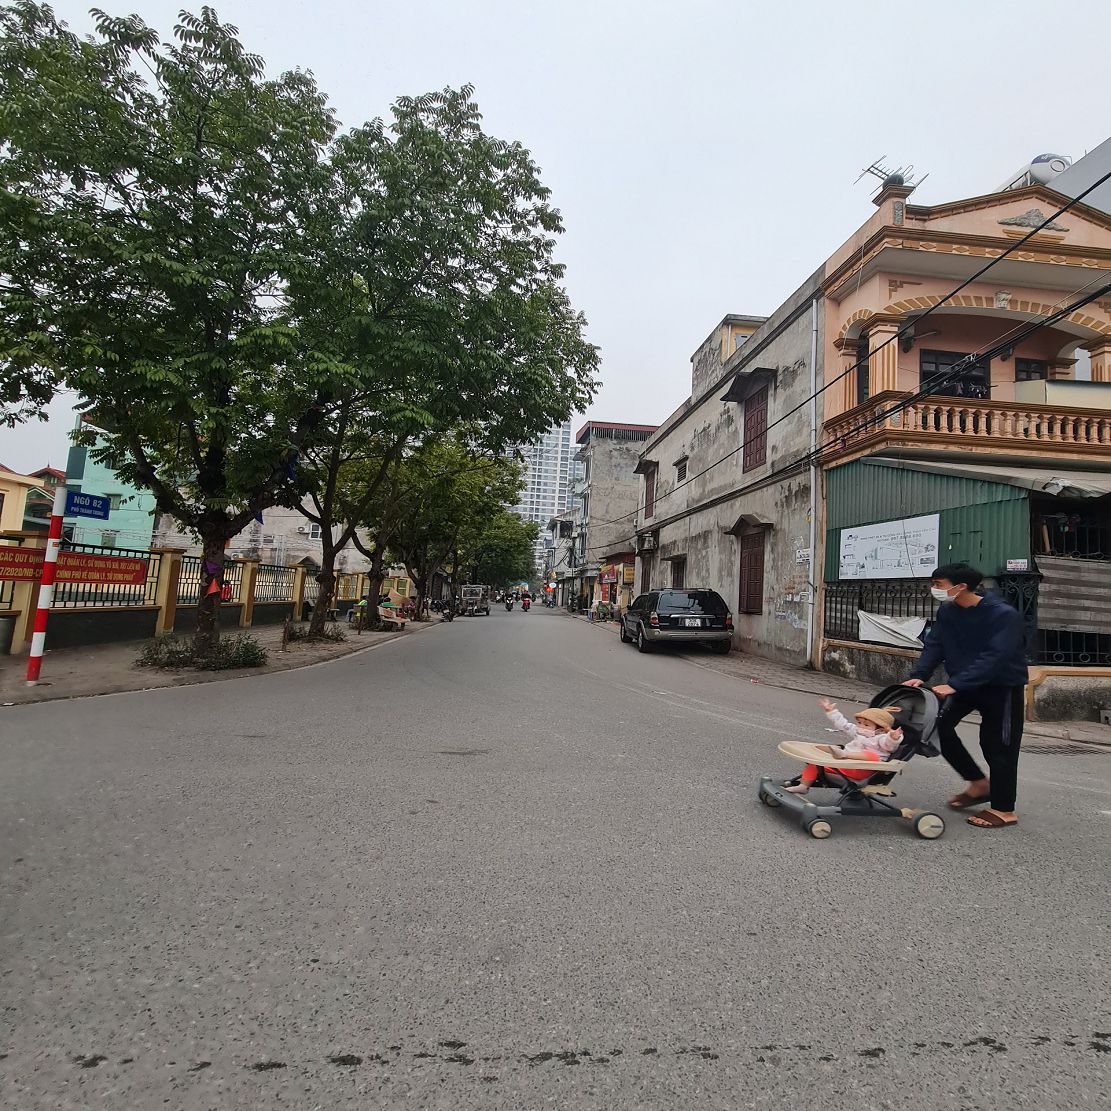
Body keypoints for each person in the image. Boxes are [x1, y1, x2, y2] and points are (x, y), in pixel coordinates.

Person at [904, 563, 1028, 830]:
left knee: (998, 745)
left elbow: (996, 656)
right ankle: (980, 784)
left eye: (938, 584)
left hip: (1001, 686)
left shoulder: (1003, 615)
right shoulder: (948, 610)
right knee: (937, 727)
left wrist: (956, 684)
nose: (934, 589)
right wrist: (920, 674)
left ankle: (1004, 809)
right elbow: (935, 644)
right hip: (964, 685)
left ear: (960, 587)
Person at [785, 699, 903, 794]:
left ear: (881, 729)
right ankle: (803, 786)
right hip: (844, 765)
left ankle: (842, 754)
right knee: (814, 764)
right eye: (859, 722)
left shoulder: (881, 738)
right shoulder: (858, 731)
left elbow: (890, 746)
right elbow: (843, 725)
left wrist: (893, 738)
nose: (861, 726)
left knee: (872, 756)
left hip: (863, 770)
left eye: (866, 725)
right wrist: (831, 712)